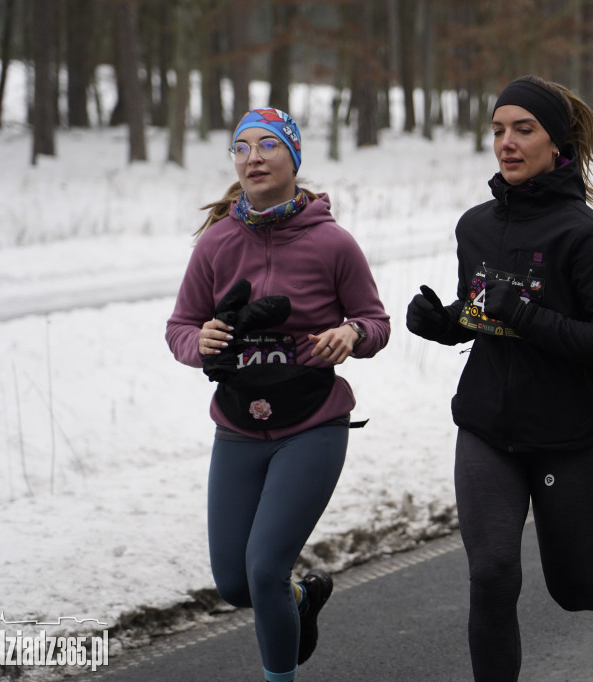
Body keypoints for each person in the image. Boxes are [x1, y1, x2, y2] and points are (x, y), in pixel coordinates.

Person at [405, 75, 593, 680]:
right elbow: (484, 313)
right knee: (492, 574)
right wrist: (444, 323)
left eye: (523, 129)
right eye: (498, 129)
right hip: (487, 427)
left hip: (570, 435)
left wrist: (526, 316)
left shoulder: (588, 235)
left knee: (572, 586)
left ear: (557, 143)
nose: (507, 142)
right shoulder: (475, 226)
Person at [165, 107, 390, 682]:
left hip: (312, 424)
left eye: (268, 145)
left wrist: (351, 334)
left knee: (264, 569)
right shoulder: (216, 243)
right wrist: (200, 341)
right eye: (241, 147)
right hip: (238, 426)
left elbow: (375, 321)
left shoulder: (332, 243)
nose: (253, 158)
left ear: (293, 156)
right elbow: (180, 328)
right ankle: (300, 599)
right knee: (236, 585)